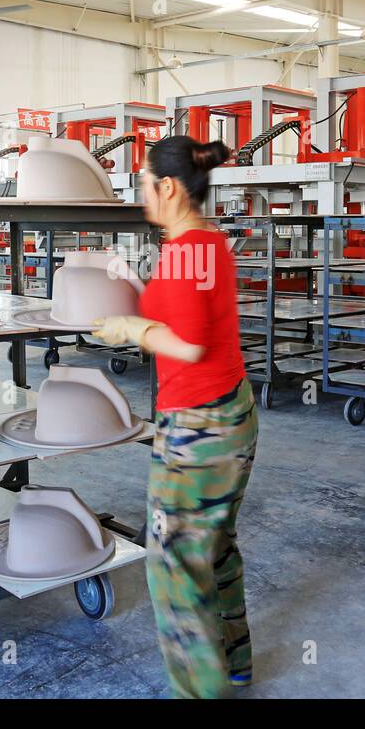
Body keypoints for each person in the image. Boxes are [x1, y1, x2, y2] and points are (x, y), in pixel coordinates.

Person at [93, 136, 257, 699]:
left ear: (167, 187)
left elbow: (185, 345)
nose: (140, 195)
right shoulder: (204, 243)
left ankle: (201, 690)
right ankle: (234, 664)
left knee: (173, 561)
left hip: (199, 428)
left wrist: (129, 329)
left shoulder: (188, 252)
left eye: (142, 184)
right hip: (228, 413)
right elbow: (186, 307)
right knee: (212, 546)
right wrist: (141, 293)